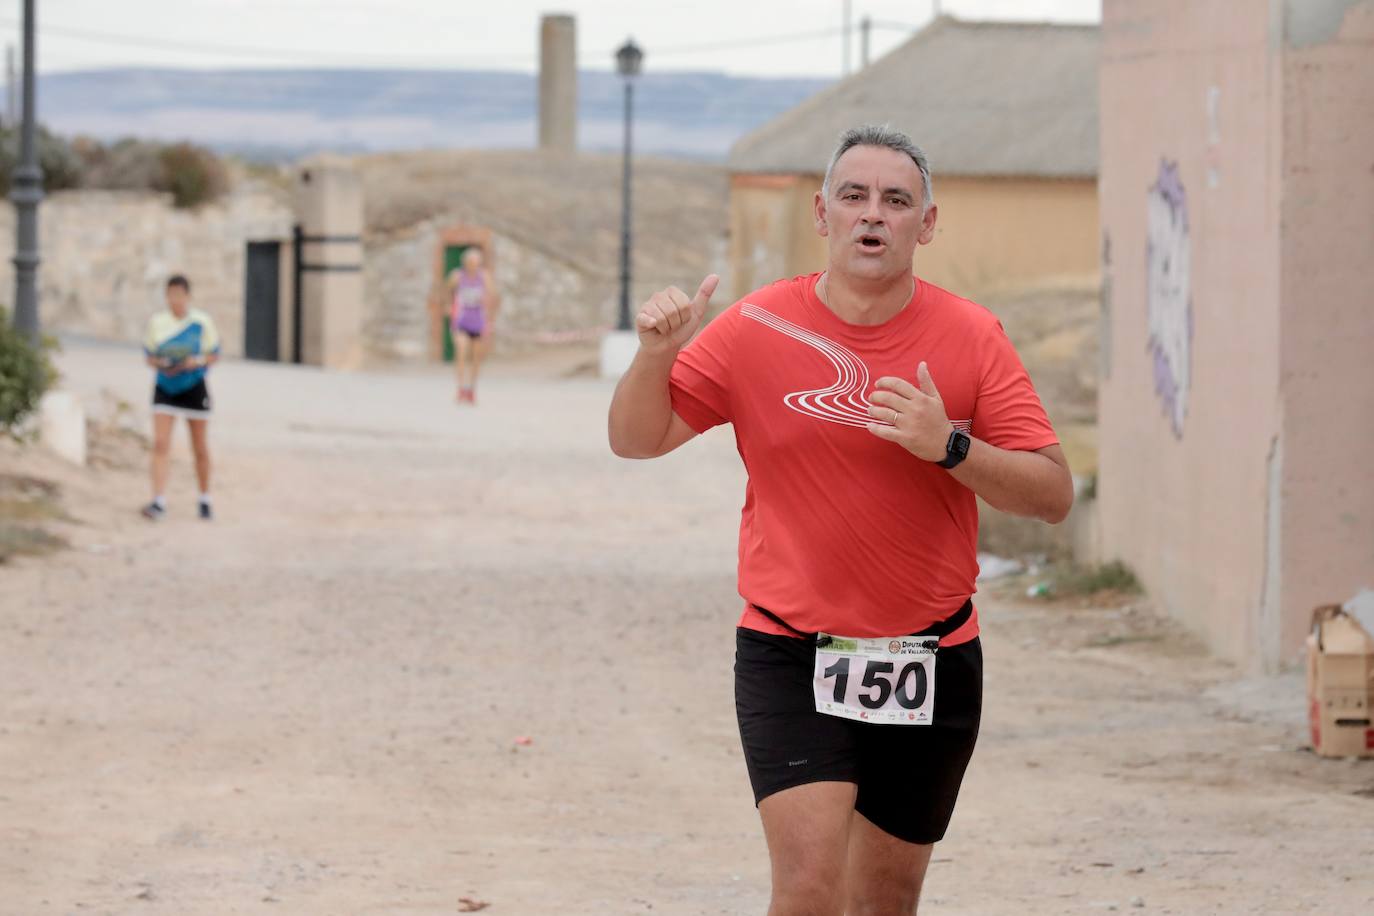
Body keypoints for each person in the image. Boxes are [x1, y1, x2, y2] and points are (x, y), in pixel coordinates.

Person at [607, 125, 1073, 914]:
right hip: (790, 650)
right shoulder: (758, 327)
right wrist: (655, 355)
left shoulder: (970, 336)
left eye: (896, 201)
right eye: (854, 197)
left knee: (885, 896)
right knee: (809, 886)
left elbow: (1053, 494)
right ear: (822, 213)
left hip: (931, 653)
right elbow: (636, 440)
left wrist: (950, 446)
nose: (873, 215)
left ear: (926, 224)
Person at [141, 275, 220, 521]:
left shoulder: (201, 322)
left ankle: (205, 497)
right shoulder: (157, 322)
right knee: (161, 444)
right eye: (171, 294)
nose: (175, 299)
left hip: (194, 386)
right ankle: (158, 500)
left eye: (179, 294)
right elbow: (149, 355)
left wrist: (194, 361)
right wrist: (163, 363)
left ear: (187, 296)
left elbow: (213, 354)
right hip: (165, 386)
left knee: (199, 446)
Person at [444, 247, 500, 405]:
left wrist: (491, 316)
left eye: (476, 263)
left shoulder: (485, 277)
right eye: (470, 263)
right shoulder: (456, 276)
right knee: (461, 351)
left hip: (479, 321)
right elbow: (446, 291)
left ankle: (472, 388)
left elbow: (494, 297)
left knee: (476, 358)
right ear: (465, 263)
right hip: (461, 320)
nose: (473, 266)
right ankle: (461, 387)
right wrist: (448, 305)